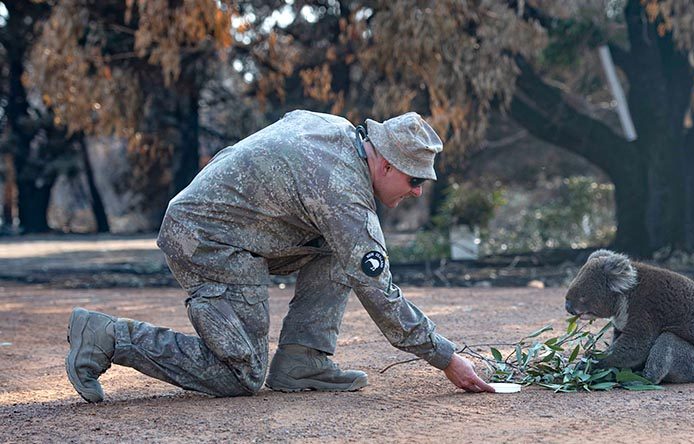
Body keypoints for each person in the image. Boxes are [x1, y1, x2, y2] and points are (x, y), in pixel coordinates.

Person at [65, 110, 494, 402]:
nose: (418, 190)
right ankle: (108, 336)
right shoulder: (343, 194)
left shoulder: (336, 130)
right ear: (385, 165)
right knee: (241, 375)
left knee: (338, 248)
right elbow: (378, 289)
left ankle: (302, 360)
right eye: (414, 179)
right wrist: (446, 358)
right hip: (208, 240)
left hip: (234, 229)